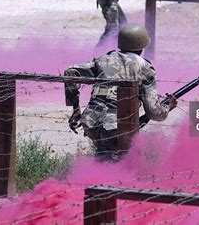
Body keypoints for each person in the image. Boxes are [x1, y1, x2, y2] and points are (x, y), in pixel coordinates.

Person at [64, 24, 177, 161]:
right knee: (117, 162)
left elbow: (71, 72)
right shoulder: (145, 67)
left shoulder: (103, 60)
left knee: (103, 157)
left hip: (91, 121)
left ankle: (92, 178)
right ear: (142, 45)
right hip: (117, 125)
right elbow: (154, 113)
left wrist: (75, 109)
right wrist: (168, 107)